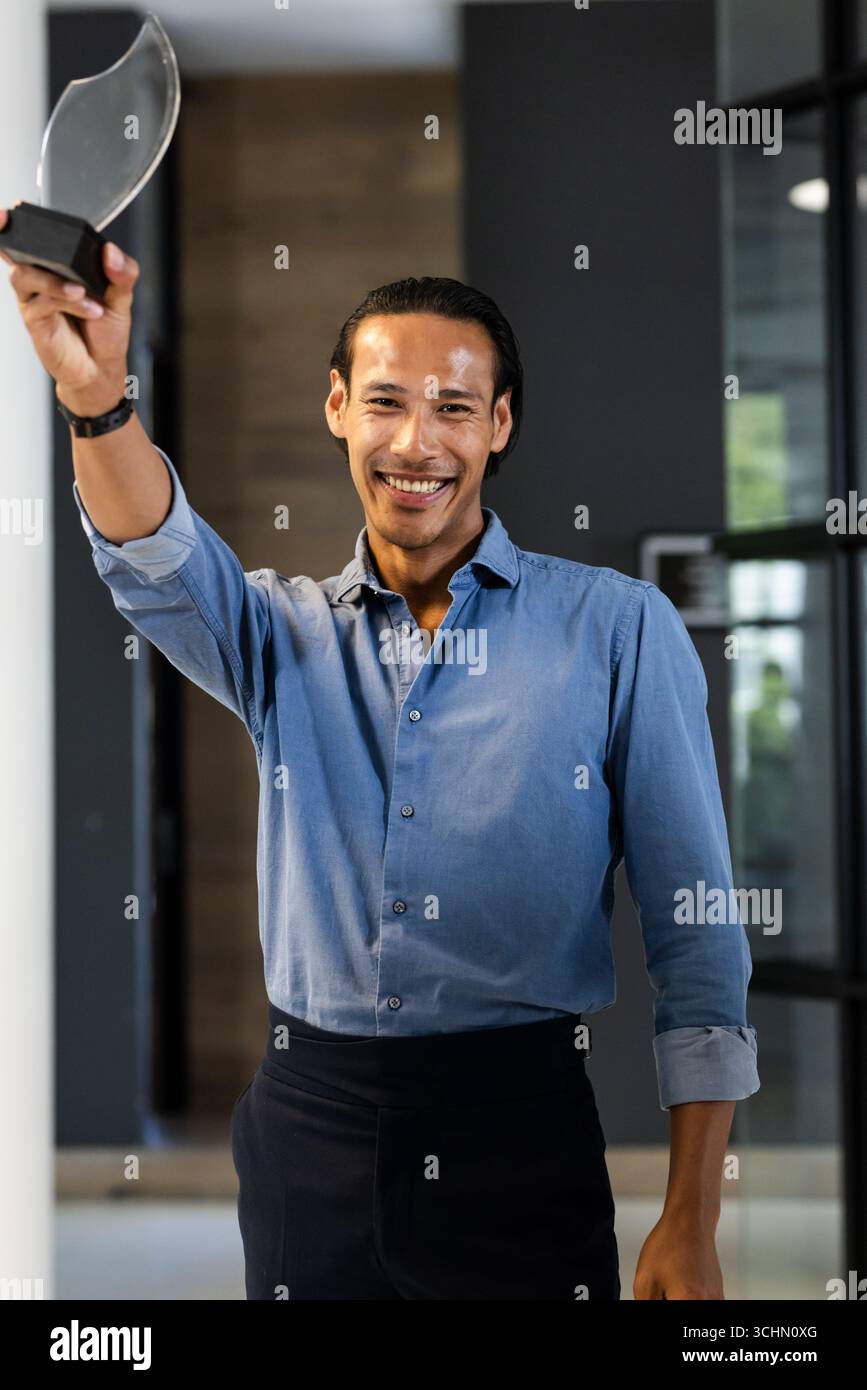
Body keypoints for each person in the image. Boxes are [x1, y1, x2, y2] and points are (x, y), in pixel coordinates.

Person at [2, 209, 759, 1301]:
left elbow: (698, 932)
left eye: (454, 407)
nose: (417, 442)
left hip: (523, 1132)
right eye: (387, 402)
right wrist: (94, 397)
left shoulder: (619, 630)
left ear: (498, 426)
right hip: (309, 1126)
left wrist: (691, 1214)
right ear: (336, 410)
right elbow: (153, 556)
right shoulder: (276, 634)